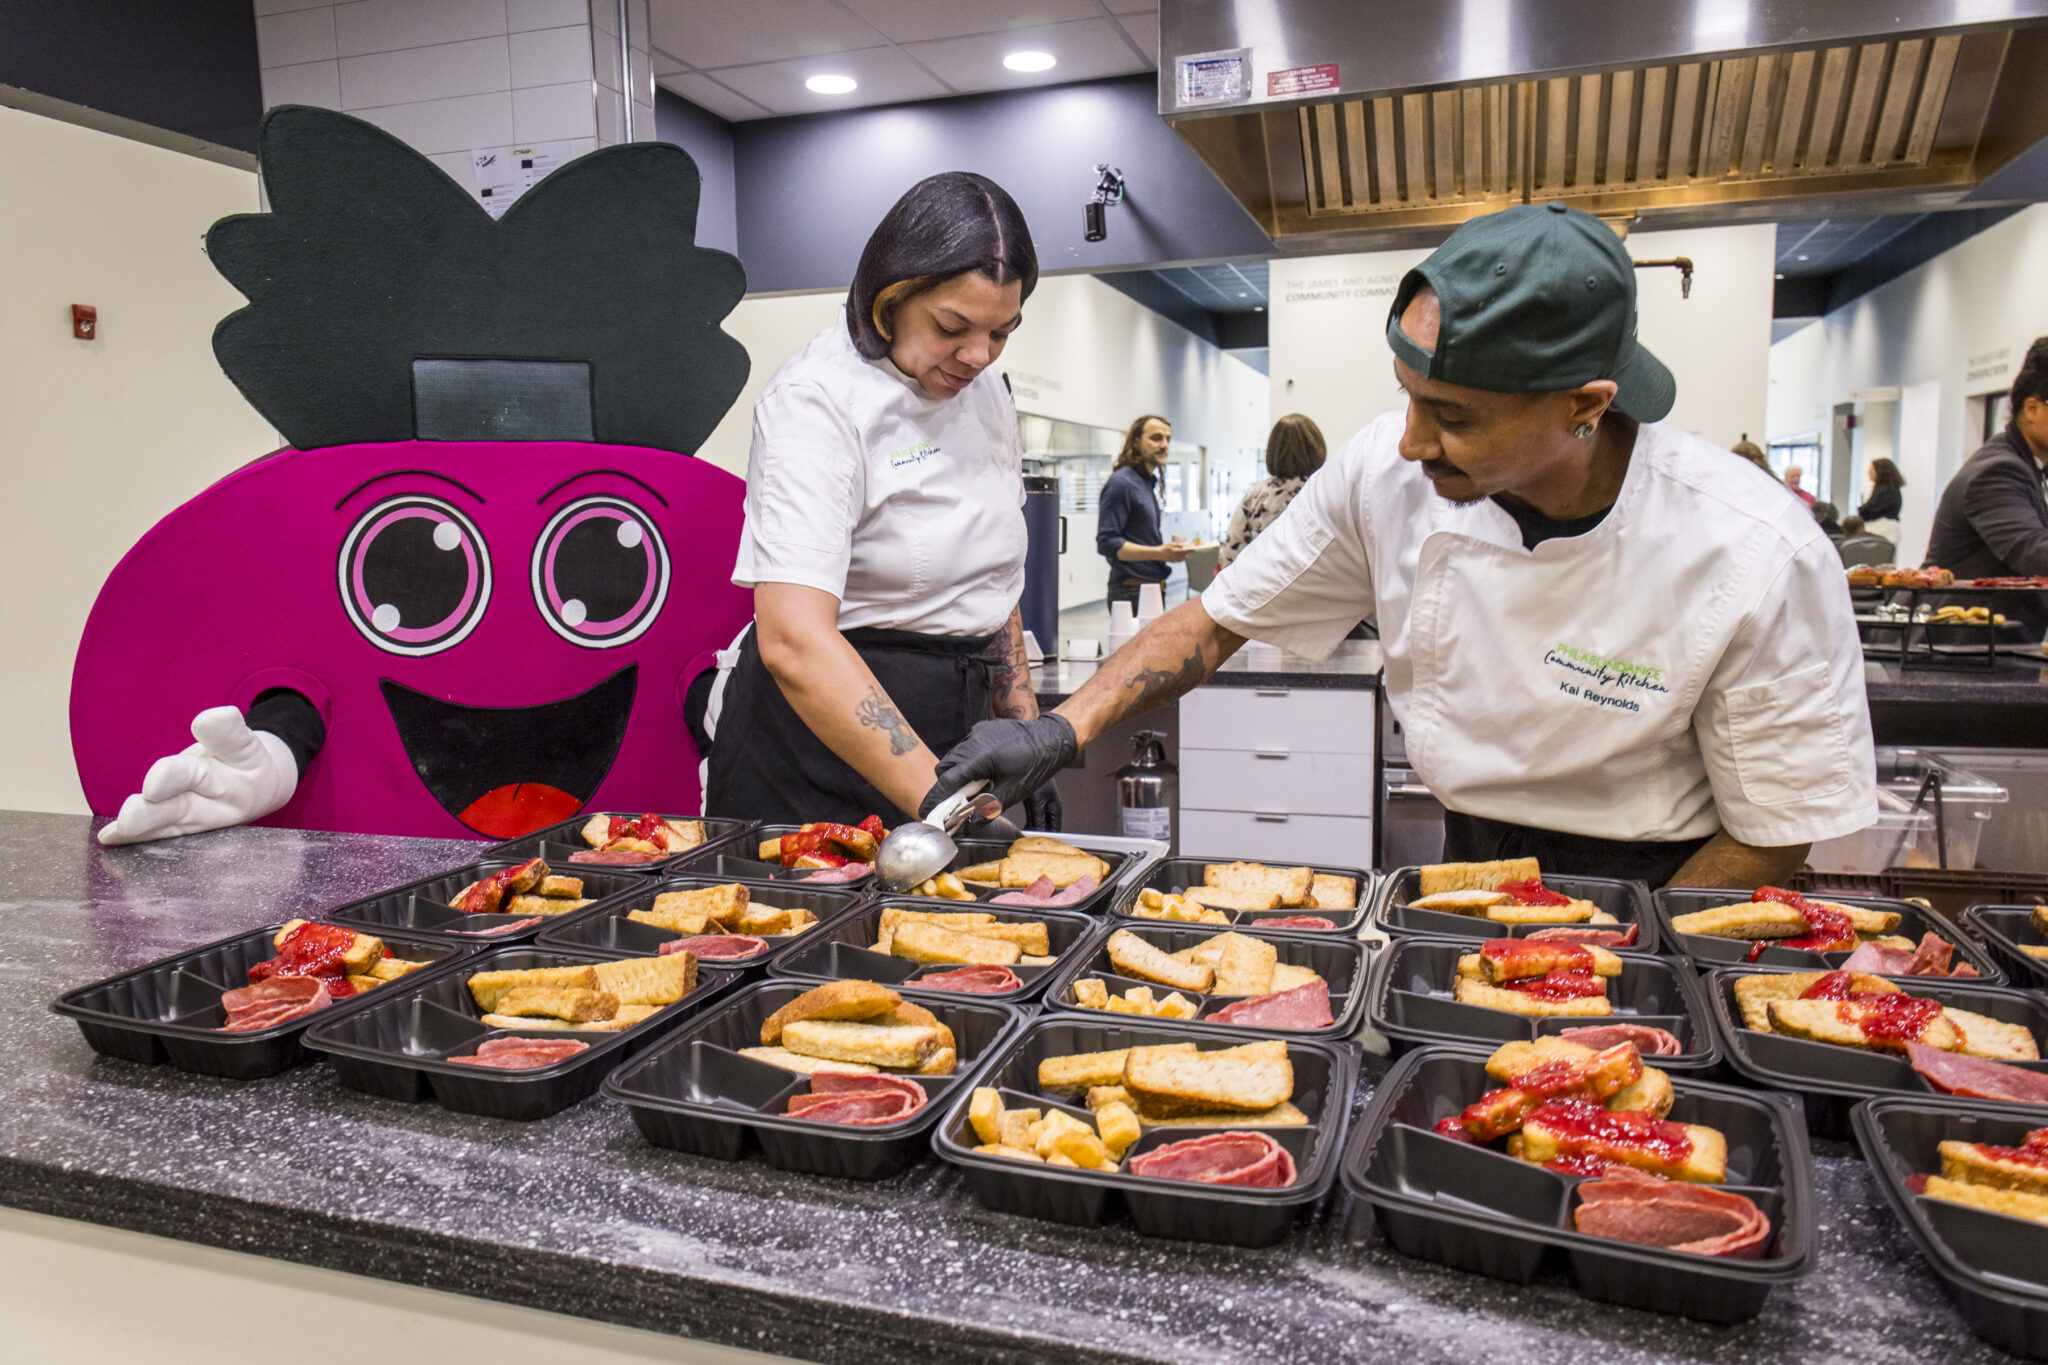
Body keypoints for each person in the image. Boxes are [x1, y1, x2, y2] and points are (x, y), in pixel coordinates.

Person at [923, 201, 1876, 890]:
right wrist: (1061, 730)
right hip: (1465, 866)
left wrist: (1636, 964)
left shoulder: (1756, 550)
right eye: (1407, 394)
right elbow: (1212, 625)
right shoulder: (1386, 469)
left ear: (1584, 405)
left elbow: (1774, 832)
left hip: (1659, 882)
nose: (1412, 439)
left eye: (1453, 415)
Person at [704, 172, 1043, 828]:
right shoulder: (817, 399)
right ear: (892, 296)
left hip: (950, 743)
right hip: (811, 754)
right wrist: (948, 802)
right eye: (953, 326)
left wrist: (1026, 734)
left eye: (1002, 331)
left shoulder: (988, 392)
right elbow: (794, 639)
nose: (978, 354)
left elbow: (992, 579)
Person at [1925, 336, 2048, 634]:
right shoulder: (1998, 470)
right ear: (2031, 409)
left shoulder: (2029, 465)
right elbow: (2033, 552)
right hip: (1962, 652)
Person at [1097, 414, 1188, 609]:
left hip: (1149, 589)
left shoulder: (1144, 483)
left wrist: (1164, 553)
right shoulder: (1121, 484)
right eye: (1156, 438)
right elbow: (1107, 543)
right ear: (1136, 442)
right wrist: (1160, 553)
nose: (1164, 445)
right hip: (1132, 592)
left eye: (1167, 439)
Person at [1219, 414, 1327, 569]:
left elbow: (1230, 553)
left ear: (1273, 451)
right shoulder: (1325, 492)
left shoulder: (1255, 495)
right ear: (1316, 447)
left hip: (1262, 587)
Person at [1857, 457, 1906, 544]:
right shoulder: (1889, 489)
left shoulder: (1886, 491)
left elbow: (1868, 510)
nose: (1868, 472)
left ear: (1880, 471)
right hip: (1884, 530)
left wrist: (1861, 509)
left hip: (1882, 531)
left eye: (1871, 470)